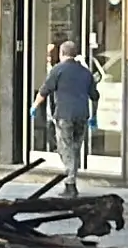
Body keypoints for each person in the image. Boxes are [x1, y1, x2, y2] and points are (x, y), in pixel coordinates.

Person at [39, 39, 101, 194]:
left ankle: (70, 183)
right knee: (75, 148)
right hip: (82, 116)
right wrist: (94, 115)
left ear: (62, 53)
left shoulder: (58, 70)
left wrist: (34, 106)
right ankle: (71, 179)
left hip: (64, 115)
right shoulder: (86, 72)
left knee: (65, 148)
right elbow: (94, 96)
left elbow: (44, 91)